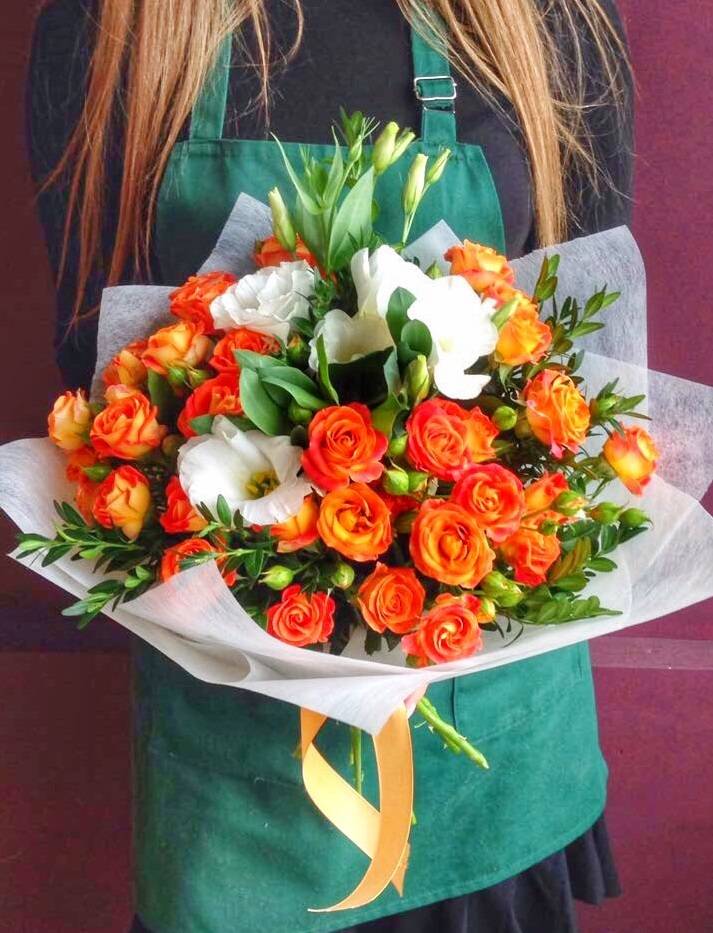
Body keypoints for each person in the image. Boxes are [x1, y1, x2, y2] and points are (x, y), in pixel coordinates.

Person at [27, 1, 632, 931]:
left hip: (493, 738)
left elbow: (584, 370)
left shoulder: (550, 18)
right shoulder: (113, 28)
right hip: (238, 760)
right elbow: (100, 380)